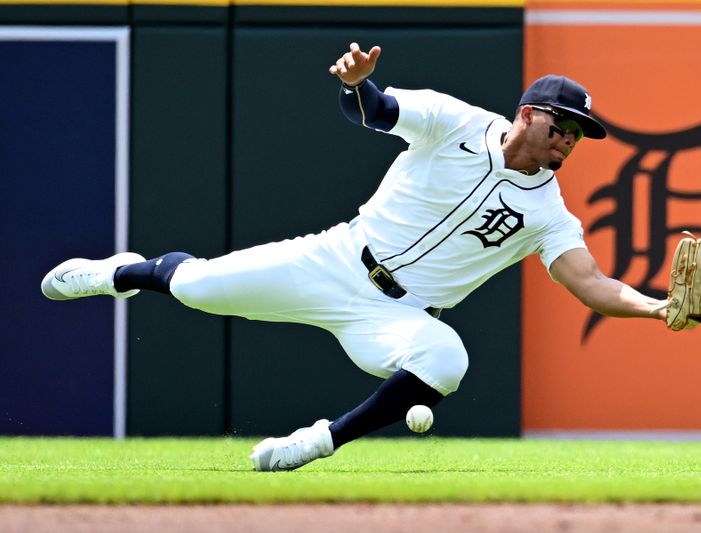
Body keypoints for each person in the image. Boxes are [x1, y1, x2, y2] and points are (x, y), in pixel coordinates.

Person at [41, 42, 668, 472]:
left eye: (579, 134)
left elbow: (592, 286)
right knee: (194, 288)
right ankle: (123, 273)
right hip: (336, 259)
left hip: (396, 316)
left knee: (447, 357)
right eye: (562, 125)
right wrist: (357, 84)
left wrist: (661, 309)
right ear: (527, 114)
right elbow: (379, 111)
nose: (570, 140)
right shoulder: (456, 121)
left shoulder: (550, 213)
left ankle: (318, 442)